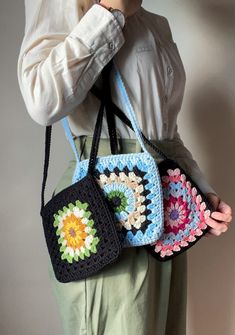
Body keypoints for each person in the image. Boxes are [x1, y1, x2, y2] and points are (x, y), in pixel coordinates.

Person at [17, 1, 233, 334]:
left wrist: (200, 193)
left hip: (161, 214)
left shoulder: (155, 23)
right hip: (105, 212)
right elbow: (42, 100)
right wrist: (109, 13)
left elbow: (163, 135)